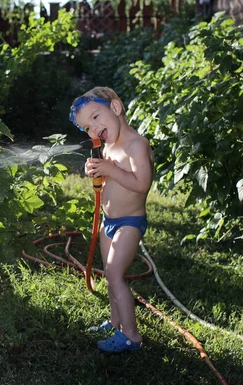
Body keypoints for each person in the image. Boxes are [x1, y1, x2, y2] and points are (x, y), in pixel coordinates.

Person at [69, 87, 154, 353]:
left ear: (116, 108)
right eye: (86, 128)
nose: (92, 130)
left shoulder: (136, 145)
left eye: (95, 118)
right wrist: (98, 172)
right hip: (109, 221)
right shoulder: (108, 147)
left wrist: (111, 169)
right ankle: (115, 322)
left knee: (116, 275)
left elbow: (141, 184)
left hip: (129, 221)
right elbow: (110, 179)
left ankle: (131, 335)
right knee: (109, 275)